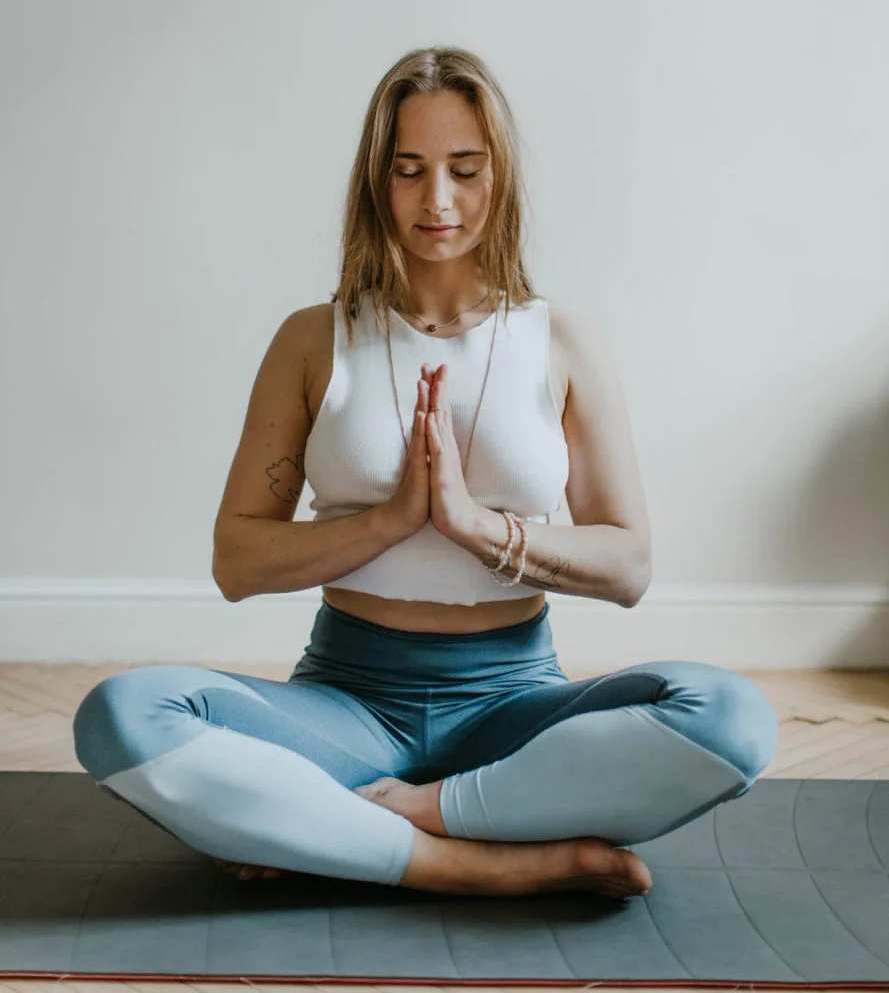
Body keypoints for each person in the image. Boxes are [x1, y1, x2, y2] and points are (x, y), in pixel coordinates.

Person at [72, 46, 778, 901]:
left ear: (501, 177)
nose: (436, 201)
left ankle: (366, 822)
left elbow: (628, 568)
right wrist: (390, 519)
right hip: (345, 705)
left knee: (731, 719)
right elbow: (237, 563)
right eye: (408, 172)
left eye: (464, 170)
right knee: (121, 716)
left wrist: (473, 526)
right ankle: (476, 860)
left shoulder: (561, 343)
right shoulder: (311, 339)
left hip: (516, 710)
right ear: (377, 182)